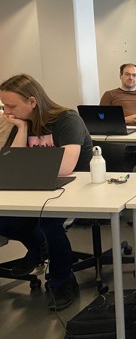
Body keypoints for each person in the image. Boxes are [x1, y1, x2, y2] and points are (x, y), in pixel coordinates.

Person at [0, 74, 92, 311]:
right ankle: (38, 247)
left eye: (11, 106)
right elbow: (14, 164)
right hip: (36, 188)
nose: (6, 111)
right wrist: (21, 128)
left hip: (75, 190)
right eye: (4, 106)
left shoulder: (67, 120)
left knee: (49, 224)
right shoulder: (23, 122)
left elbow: (65, 167)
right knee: (4, 221)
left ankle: (63, 280)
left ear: (32, 101)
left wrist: (27, 165)